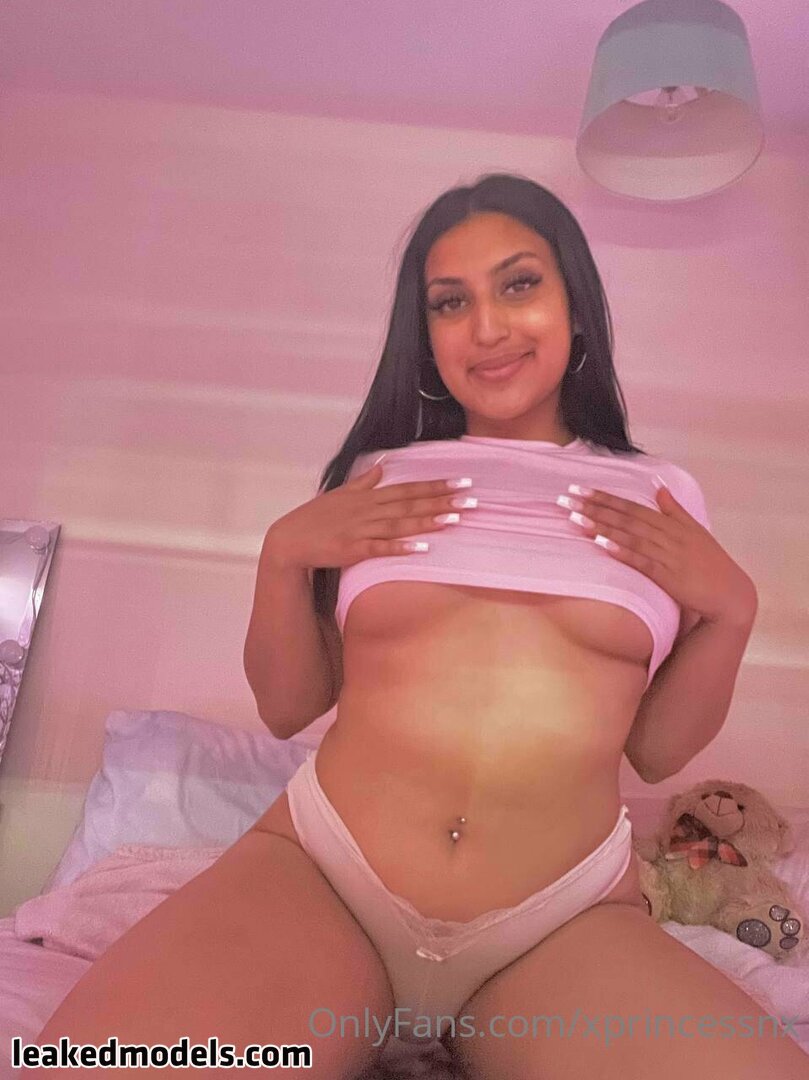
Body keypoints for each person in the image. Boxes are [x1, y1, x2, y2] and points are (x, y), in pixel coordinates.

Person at [32, 174, 806, 1080]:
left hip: (560, 920)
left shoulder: (659, 496)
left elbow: (658, 751)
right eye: (450, 301)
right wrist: (283, 554)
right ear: (426, 334)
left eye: (519, 284)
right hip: (324, 879)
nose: (486, 326)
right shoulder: (378, 476)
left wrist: (732, 610)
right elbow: (288, 707)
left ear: (575, 308)